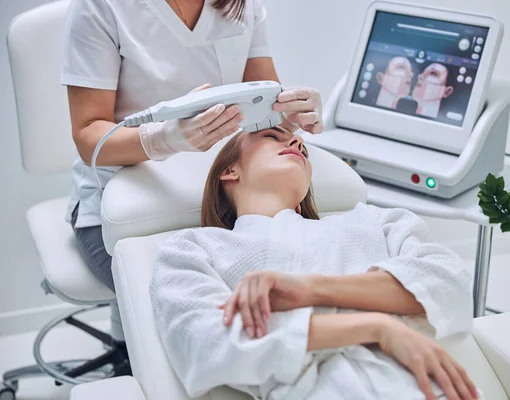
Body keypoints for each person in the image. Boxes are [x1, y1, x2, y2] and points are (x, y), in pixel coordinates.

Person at [150, 127, 479, 400]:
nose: (296, 142)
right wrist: (379, 328)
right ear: (229, 169)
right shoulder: (193, 250)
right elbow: (207, 343)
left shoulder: (376, 221)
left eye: (301, 146)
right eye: (271, 136)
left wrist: (308, 290)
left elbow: (451, 284)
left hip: (427, 387)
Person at [61, 0, 323, 293]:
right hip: (120, 207)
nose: (296, 143)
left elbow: (266, 103)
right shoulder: (101, 7)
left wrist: (290, 113)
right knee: (183, 308)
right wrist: (160, 139)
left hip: (219, 205)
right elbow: (89, 136)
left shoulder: (244, 6)